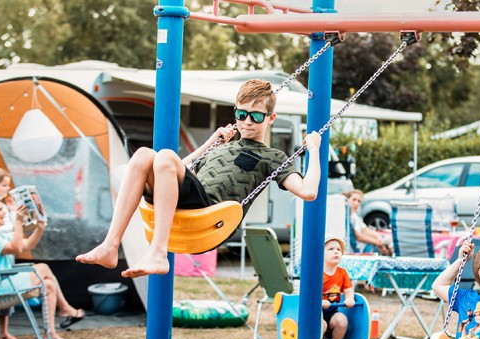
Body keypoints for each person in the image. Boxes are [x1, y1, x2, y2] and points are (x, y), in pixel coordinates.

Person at [77, 79, 322, 278]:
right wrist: (208, 144)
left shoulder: (272, 156)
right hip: (187, 200)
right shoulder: (220, 146)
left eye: (256, 116)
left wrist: (313, 150)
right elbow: (174, 170)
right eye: (241, 114)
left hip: (210, 211)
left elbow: (308, 191)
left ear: (270, 118)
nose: (247, 121)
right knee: (142, 155)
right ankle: (110, 245)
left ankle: (158, 253)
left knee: (163, 156)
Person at [0, 168, 83, 339]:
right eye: (4, 185)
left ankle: (49, 332)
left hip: (5, 275)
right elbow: (16, 247)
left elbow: (25, 244)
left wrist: (39, 228)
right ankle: (65, 308)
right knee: (42, 268)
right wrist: (18, 220)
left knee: (49, 284)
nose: (4, 212)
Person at [320, 236, 355, 339]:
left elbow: (348, 290)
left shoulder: (342, 273)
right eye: (331, 249)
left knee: (342, 320)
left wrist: (349, 299)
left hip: (332, 311)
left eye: (338, 249)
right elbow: (311, 293)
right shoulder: (318, 273)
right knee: (321, 324)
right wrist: (320, 301)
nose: (336, 251)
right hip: (316, 312)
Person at [343, 189, 392, 256]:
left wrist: (378, 237)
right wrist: (377, 242)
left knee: (389, 240)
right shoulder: (347, 217)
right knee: (388, 244)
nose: (356, 203)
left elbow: (365, 229)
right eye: (354, 200)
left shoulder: (354, 216)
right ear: (347, 200)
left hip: (365, 245)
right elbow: (359, 237)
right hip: (359, 249)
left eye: (359, 201)